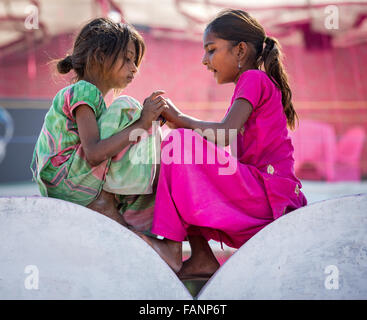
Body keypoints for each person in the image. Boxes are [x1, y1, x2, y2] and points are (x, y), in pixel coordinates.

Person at [140, 9, 308, 278]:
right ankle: (202, 256)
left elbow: (225, 133)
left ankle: (173, 247)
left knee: (179, 143)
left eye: (211, 50)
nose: (205, 61)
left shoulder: (253, 79)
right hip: (263, 193)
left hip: (267, 196)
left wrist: (178, 119)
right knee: (184, 161)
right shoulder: (254, 82)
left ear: (240, 51)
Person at [31, 18, 167, 233]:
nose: (134, 68)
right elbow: (94, 153)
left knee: (132, 123)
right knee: (128, 108)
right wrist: (143, 122)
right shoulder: (84, 91)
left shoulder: (93, 100)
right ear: (100, 57)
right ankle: (126, 193)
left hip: (67, 183)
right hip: (68, 181)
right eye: (128, 59)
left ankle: (128, 196)